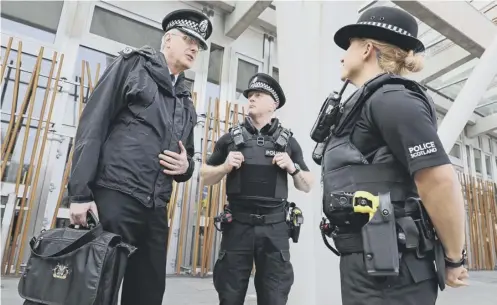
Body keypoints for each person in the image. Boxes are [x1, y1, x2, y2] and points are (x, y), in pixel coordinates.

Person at [316, 6, 468, 305]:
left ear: (367, 49)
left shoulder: (392, 99)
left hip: (392, 270)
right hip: (372, 264)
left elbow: (438, 180)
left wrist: (454, 259)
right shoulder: (370, 101)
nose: (342, 54)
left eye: (349, 45)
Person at [67, 9, 213, 305]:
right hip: (115, 197)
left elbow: (189, 159)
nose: (194, 47)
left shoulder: (186, 102)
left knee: (147, 293)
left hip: (156, 207)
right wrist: (79, 193)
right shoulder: (131, 66)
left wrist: (186, 167)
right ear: (168, 39)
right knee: (97, 287)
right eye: (188, 39)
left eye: (199, 44)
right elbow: (93, 125)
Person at [200, 73, 315, 305]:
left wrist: (292, 168)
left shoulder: (288, 142)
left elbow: (308, 184)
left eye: (258, 95)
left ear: (274, 104)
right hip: (238, 227)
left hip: (275, 229)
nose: (251, 99)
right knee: (229, 296)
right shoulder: (229, 140)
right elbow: (204, 176)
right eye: (250, 95)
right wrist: (224, 166)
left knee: (274, 297)